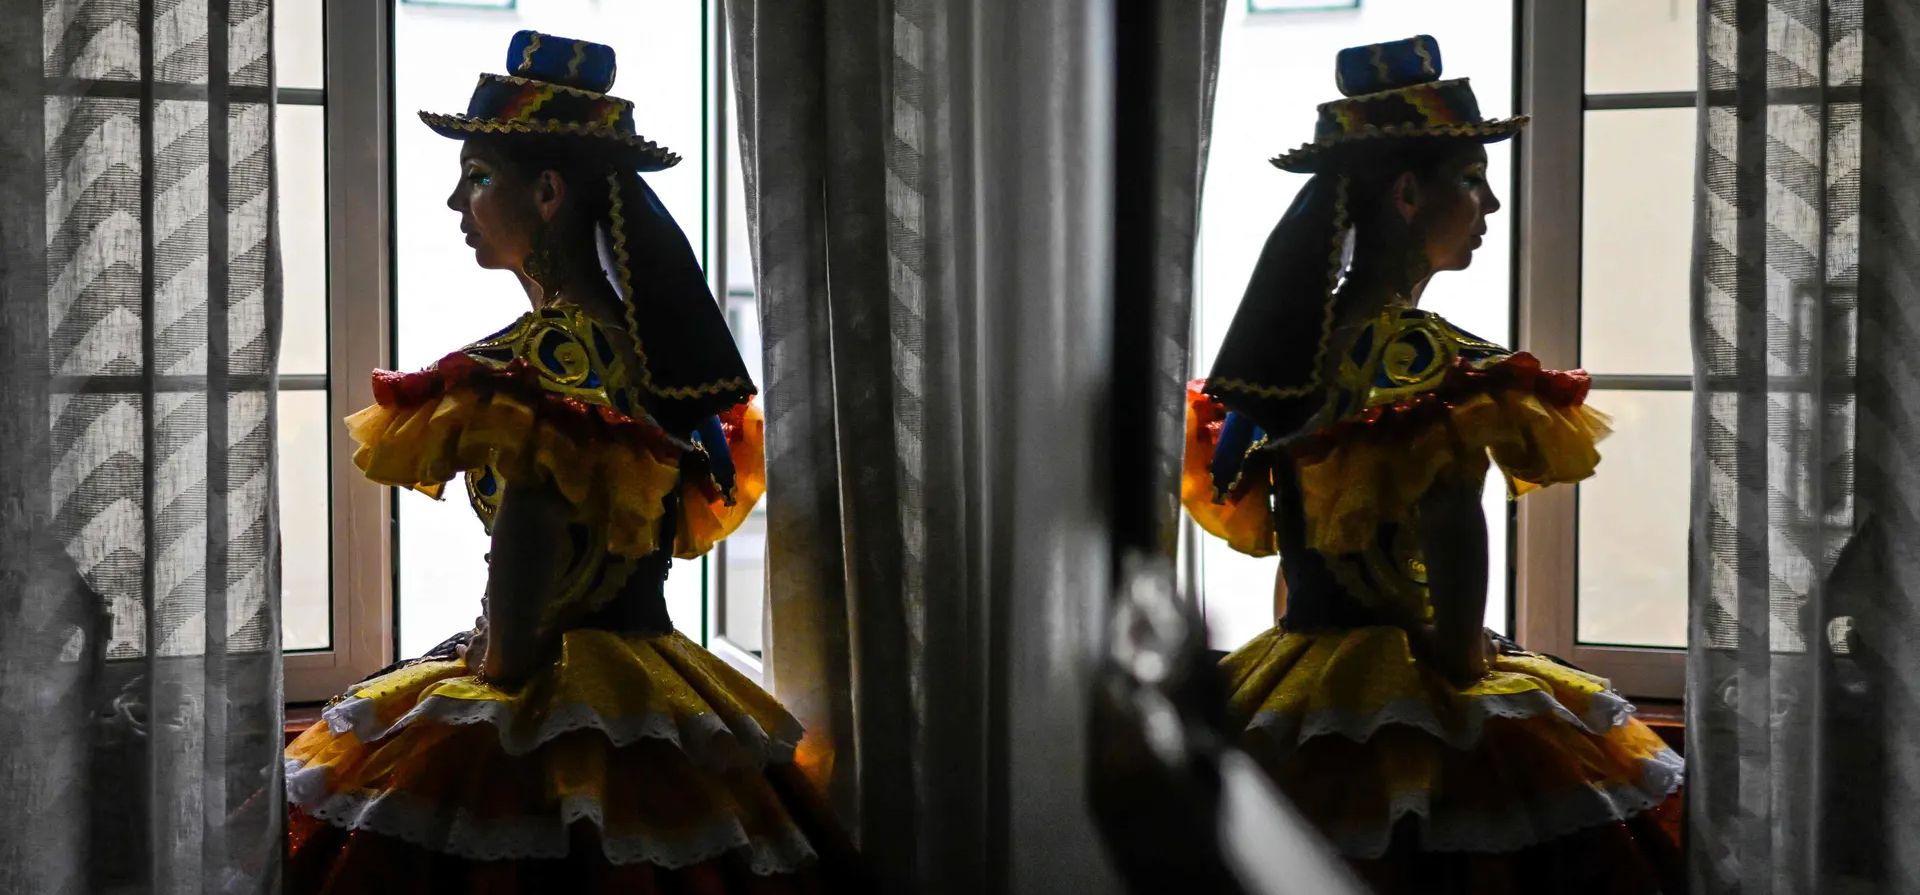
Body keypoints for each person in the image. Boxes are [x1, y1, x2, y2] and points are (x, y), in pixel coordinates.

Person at [284, 31, 859, 893]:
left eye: (477, 177)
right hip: (655, 670)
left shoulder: (542, 364)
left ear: (548, 192)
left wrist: (494, 650)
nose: (454, 201)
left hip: (543, 685)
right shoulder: (647, 354)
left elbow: (523, 593)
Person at [1184, 36, 1684, 893]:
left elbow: (1296, 544)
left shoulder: (1295, 354)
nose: (1489, 203)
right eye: (1470, 179)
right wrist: (1462, 665)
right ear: (1408, 194)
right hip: (1422, 669)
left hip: (1298, 660)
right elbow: (1456, 532)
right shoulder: (1418, 355)